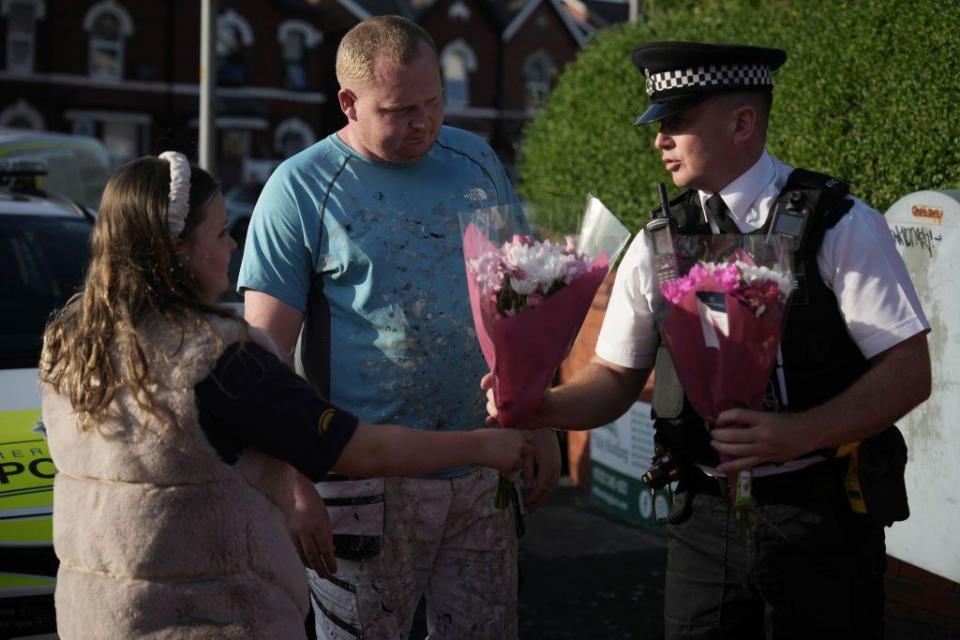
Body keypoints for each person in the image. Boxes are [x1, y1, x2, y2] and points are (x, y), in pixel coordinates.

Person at [486, 42, 932, 638]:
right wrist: (537, 407)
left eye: (675, 122)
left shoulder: (841, 224)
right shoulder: (655, 241)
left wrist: (801, 432)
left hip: (820, 519)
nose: (658, 141)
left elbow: (908, 369)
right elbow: (614, 379)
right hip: (701, 520)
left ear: (742, 123)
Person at [39, 152, 534, 639]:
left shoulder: (71, 344)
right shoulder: (217, 358)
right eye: (219, 233)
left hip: (99, 617)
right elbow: (359, 449)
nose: (233, 245)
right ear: (178, 253)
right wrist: (482, 446)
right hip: (206, 617)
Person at [237, 14, 560, 640]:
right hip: (363, 483)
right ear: (348, 103)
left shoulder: (475, 159)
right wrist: (296, 485)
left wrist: (540, 421)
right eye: (400, 109)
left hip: (481, 465)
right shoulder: (299, 189)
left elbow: (519, 298)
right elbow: (265, 360)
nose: (424, 122)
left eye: (434, 100)